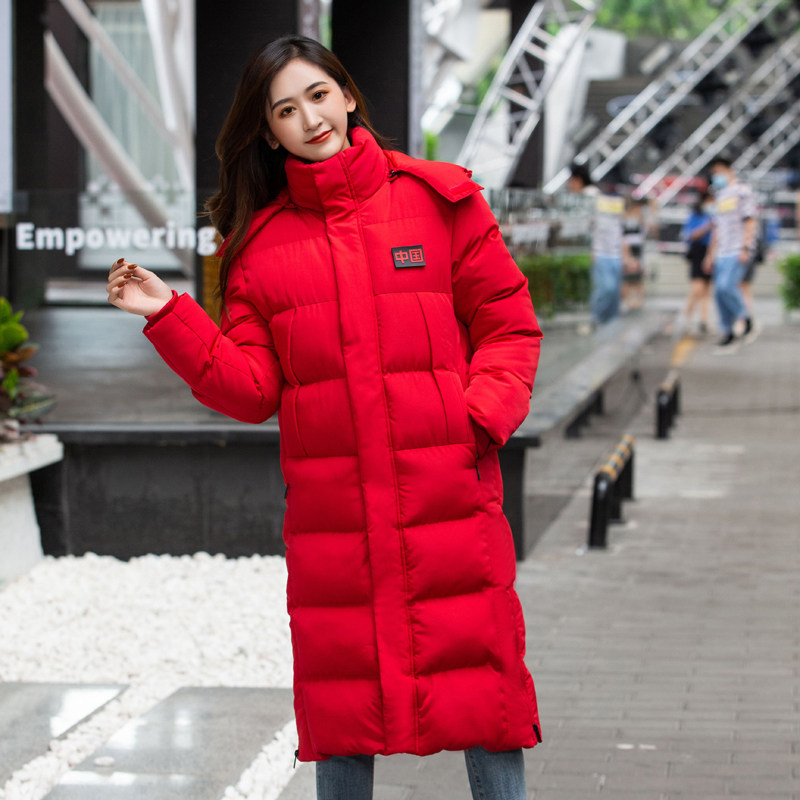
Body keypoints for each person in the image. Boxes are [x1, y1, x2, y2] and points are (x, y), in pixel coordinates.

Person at [106, 35, 542, 800]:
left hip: (450, 497)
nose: (309, 119)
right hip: (336, 525)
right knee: (344, 710)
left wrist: (475, 420)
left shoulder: (441, 201)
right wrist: (168, 314)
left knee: (487, 696)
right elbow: (251, 389)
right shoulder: (259, 248)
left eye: (317, 96)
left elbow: (508, 324)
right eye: (285, 110)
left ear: (347, 95)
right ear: (269, 133)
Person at [703, 155, 758, 353]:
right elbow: (717, 228)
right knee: (719, 292)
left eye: (718, 171)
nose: (716, 176)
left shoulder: (742, 191)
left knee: (726, 286)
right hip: (722, 251)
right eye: (714, 173)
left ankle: (745, 318)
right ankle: (727, 331)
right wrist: (710, 254)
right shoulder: (720, 196)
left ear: (728, 170)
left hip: (737, 249)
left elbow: (750, 220)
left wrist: (745, 247)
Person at [567, 164, 624, 324]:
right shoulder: (599, 195)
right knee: (611, 290)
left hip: (601, 251)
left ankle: (595, 319)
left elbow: (584, 226)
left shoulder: (587, 197)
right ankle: (607, 323)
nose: (569, 186)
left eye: (571, 182)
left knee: (606, 289)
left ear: (577, 180)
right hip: (610, 250)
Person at [681, 190, 714, 336]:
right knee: (697, 289)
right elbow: (690, 235)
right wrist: (706, 227)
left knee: (706, 290)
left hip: (710, 253)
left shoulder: (713, 215)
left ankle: (704, 320)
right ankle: (686, 318)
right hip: (698, 252)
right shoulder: (695, 216)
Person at [621, 196, 648, 311]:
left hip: (638, 249)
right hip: (626, 248)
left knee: (638, 277)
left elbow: (644, 232)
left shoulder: (640, 216)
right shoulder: (623, 217)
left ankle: (639, 300)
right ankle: (627, 300)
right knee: (626, 277)